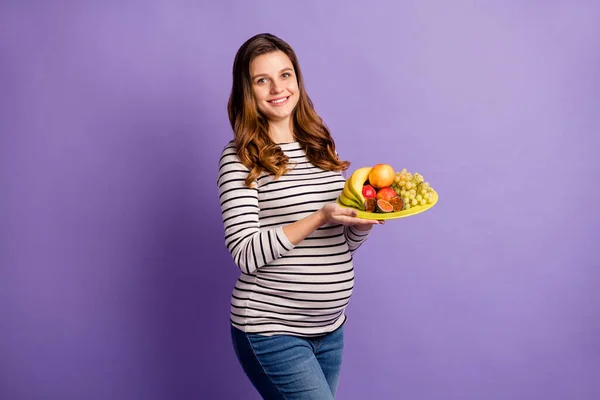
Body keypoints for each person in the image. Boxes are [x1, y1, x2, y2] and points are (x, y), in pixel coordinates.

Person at [217, 33, 384, 399]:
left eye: (286, 75)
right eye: (263, 80)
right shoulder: (240, 157)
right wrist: (319, 216)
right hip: (270, 329)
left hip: (330, 329)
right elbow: (245, 253)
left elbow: (341, 244)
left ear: (297, 79)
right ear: (249, 90)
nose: (278, 88)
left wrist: (362, 224)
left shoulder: (320, 143)